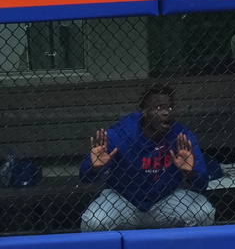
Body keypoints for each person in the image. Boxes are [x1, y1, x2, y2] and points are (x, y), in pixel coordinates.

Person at [79, 83, 216, 231]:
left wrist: (190, 173)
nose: (166, 113)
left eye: (170, 108)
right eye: (159, 108)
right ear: (144, 112)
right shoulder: (121, 134)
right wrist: (94, 168)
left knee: (204, 212)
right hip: (123, 199)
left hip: (166, 199)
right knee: (93, 222)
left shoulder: (181, 135)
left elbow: (203, 183)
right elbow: (84, 176)